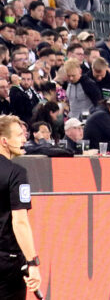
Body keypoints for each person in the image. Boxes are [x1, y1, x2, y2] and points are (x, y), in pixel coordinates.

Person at [0, 115, 42, 298]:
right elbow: (20, 222)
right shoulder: (16, 173)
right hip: (7, 263)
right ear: (4, 141)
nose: (24, 139)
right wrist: (32, 263)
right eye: (19, 135)